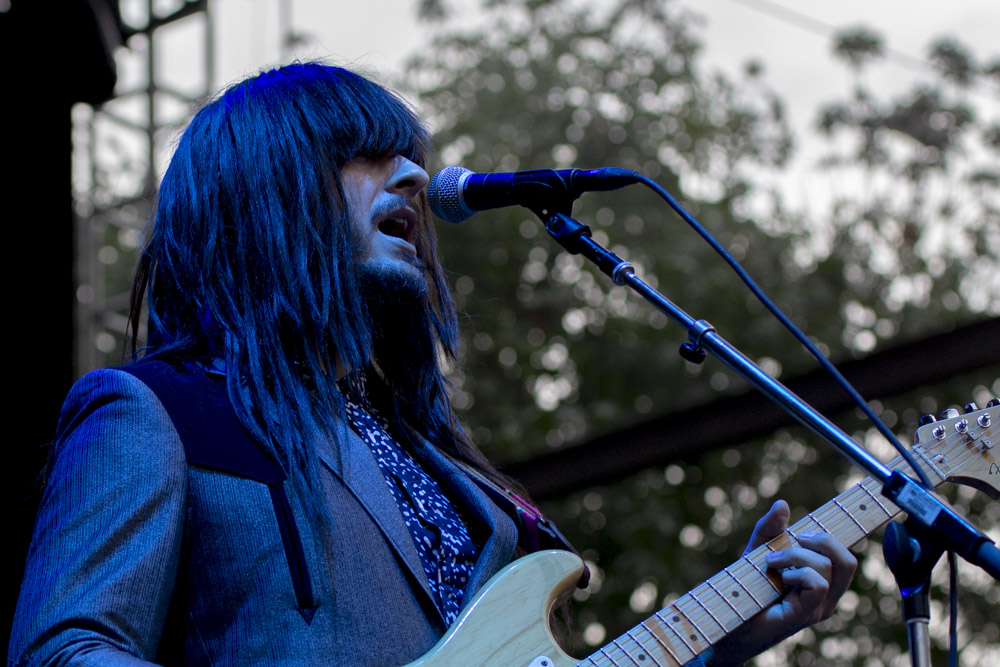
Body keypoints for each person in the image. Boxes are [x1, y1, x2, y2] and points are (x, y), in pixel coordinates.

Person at [10, 62, 856, 666]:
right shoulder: (159, 411)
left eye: (410, 154)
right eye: (370, 153)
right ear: (268, 191)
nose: (415, 173)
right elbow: (63, 647)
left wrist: (727, 645)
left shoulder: (460, 479)